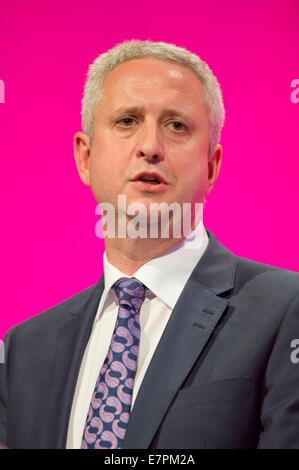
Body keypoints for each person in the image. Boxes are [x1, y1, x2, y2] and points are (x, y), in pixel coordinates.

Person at [1, 39, 299, 450]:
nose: (150, 147)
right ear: (85, 158)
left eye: (176, 125)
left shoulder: (286, 310)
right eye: (127, 121)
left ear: (211, 166)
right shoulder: (23, 349)